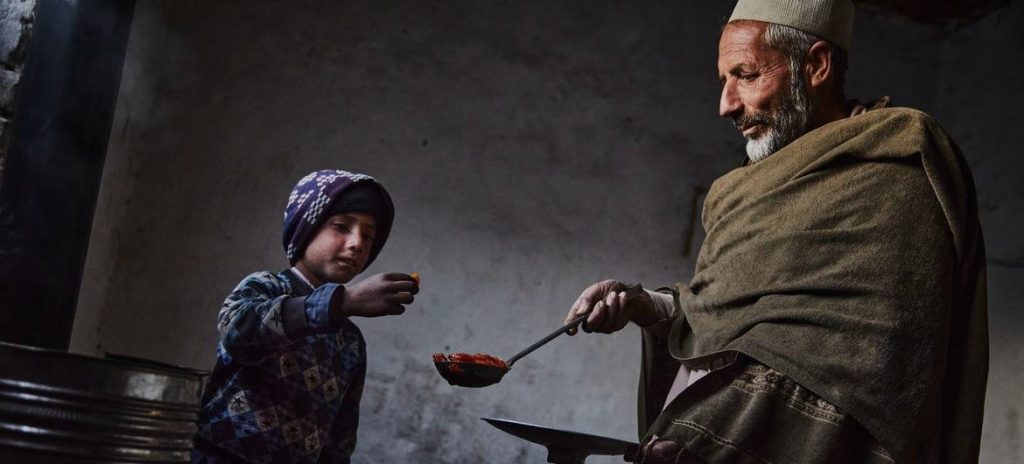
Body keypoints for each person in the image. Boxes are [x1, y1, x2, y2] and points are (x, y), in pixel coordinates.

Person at [564, 1, 988, 462]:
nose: (726, 104)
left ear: (816, 66)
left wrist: (712, 442)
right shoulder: (745, 186)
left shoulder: (895, 166)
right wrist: (649, 304)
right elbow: (733, 318)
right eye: (724, 80)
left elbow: (866, 362)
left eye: (745, 75)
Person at [192, 170, 418, 463]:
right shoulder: (266, 287)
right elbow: (238, 333)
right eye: (341, 226)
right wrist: (342, 301)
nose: (357, 243)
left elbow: (339, 441)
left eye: (368, 235)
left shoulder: (350, 341)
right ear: (306, 229)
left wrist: (340, 307)